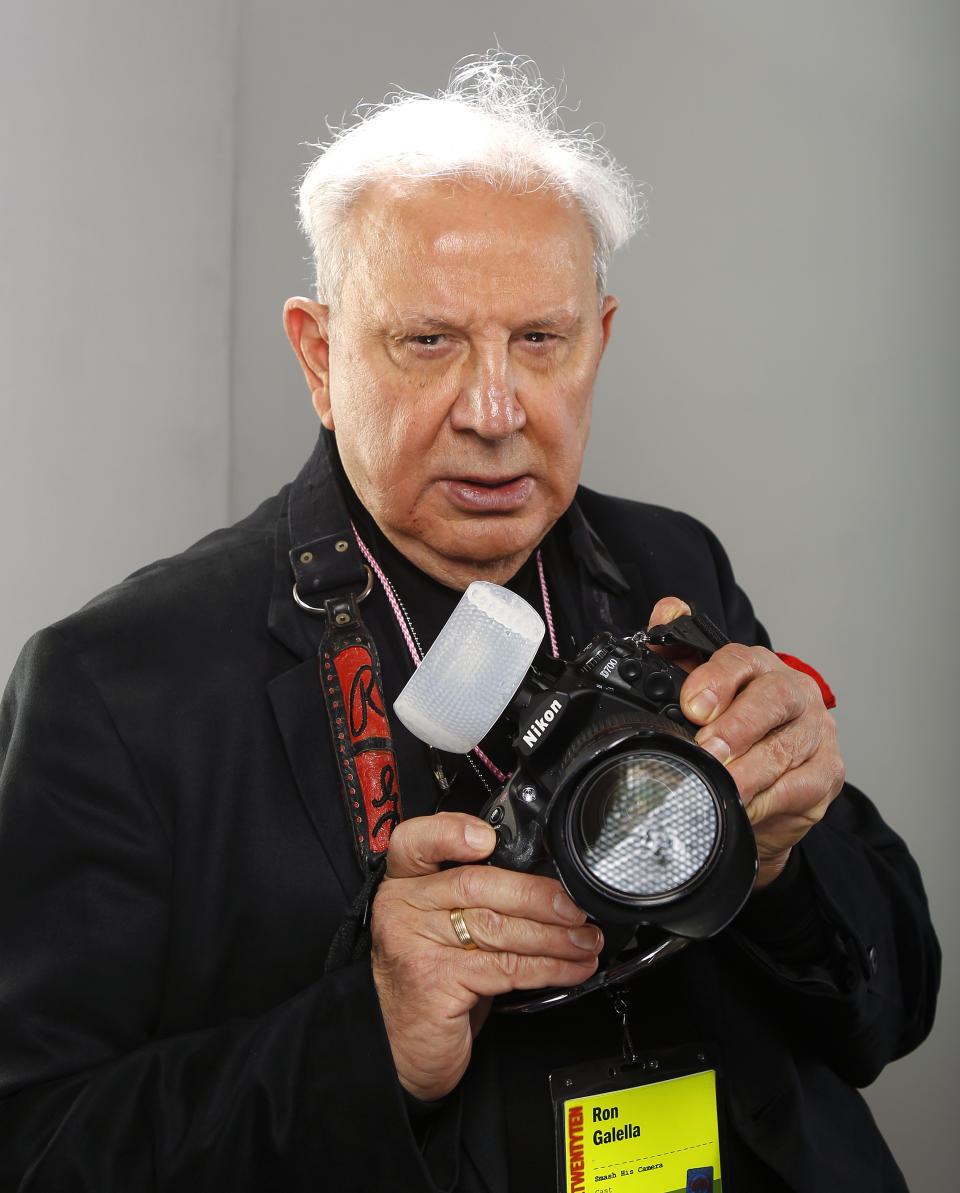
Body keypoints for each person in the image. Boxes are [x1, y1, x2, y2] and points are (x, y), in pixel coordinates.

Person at [0, 52, 939, 1192]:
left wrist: (783, 860)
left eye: (540, 341)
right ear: (319, 353)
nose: (495, 412)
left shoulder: (668, 568)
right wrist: (372, 1037)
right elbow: (34, 1146)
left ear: (599, 339)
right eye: (429, 341)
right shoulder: (123, 683)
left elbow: (892, 1009)